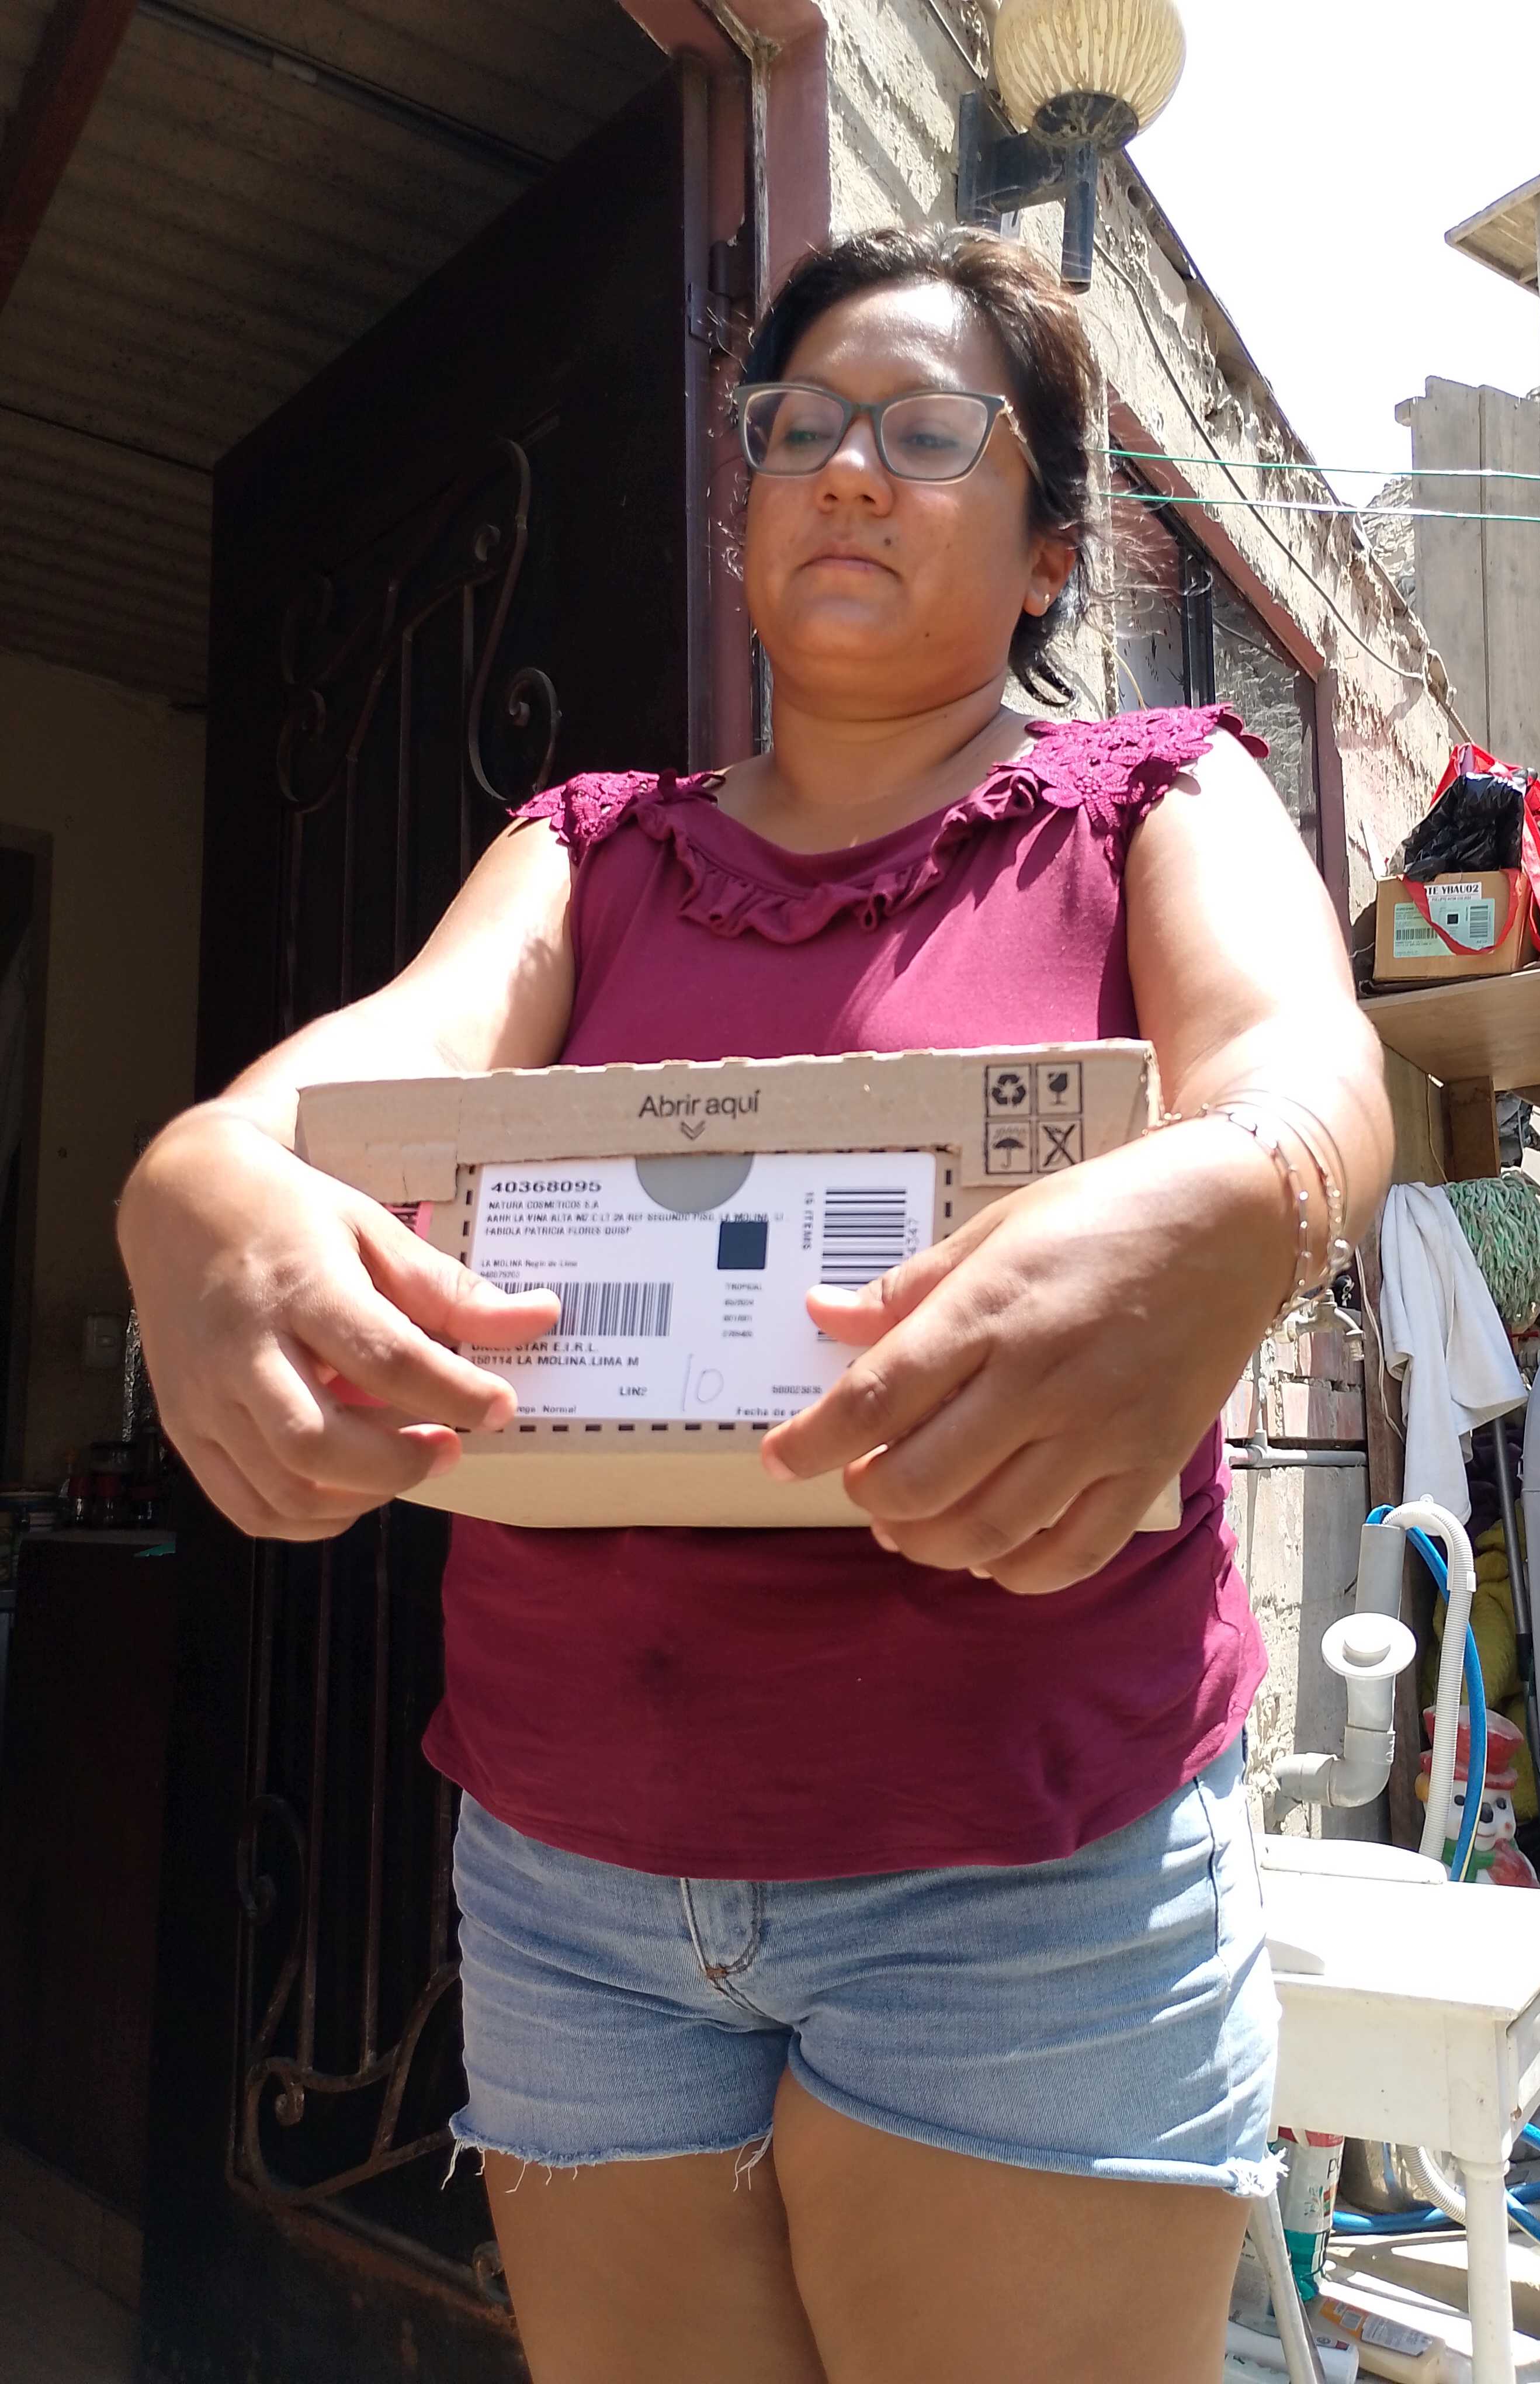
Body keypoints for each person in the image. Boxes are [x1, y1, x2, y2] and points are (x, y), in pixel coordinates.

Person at [119, 227, 1393, 2384]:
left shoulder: (1163, 798)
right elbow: (362, 1075)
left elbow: (1305, 1069)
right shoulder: (587, 850)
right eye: (798, 431)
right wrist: (196, 1181)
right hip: (568, 1879)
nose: (848, 471)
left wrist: (1251, 1191)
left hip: (1025, 1868)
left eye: (927, 431)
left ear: (1053, 550)